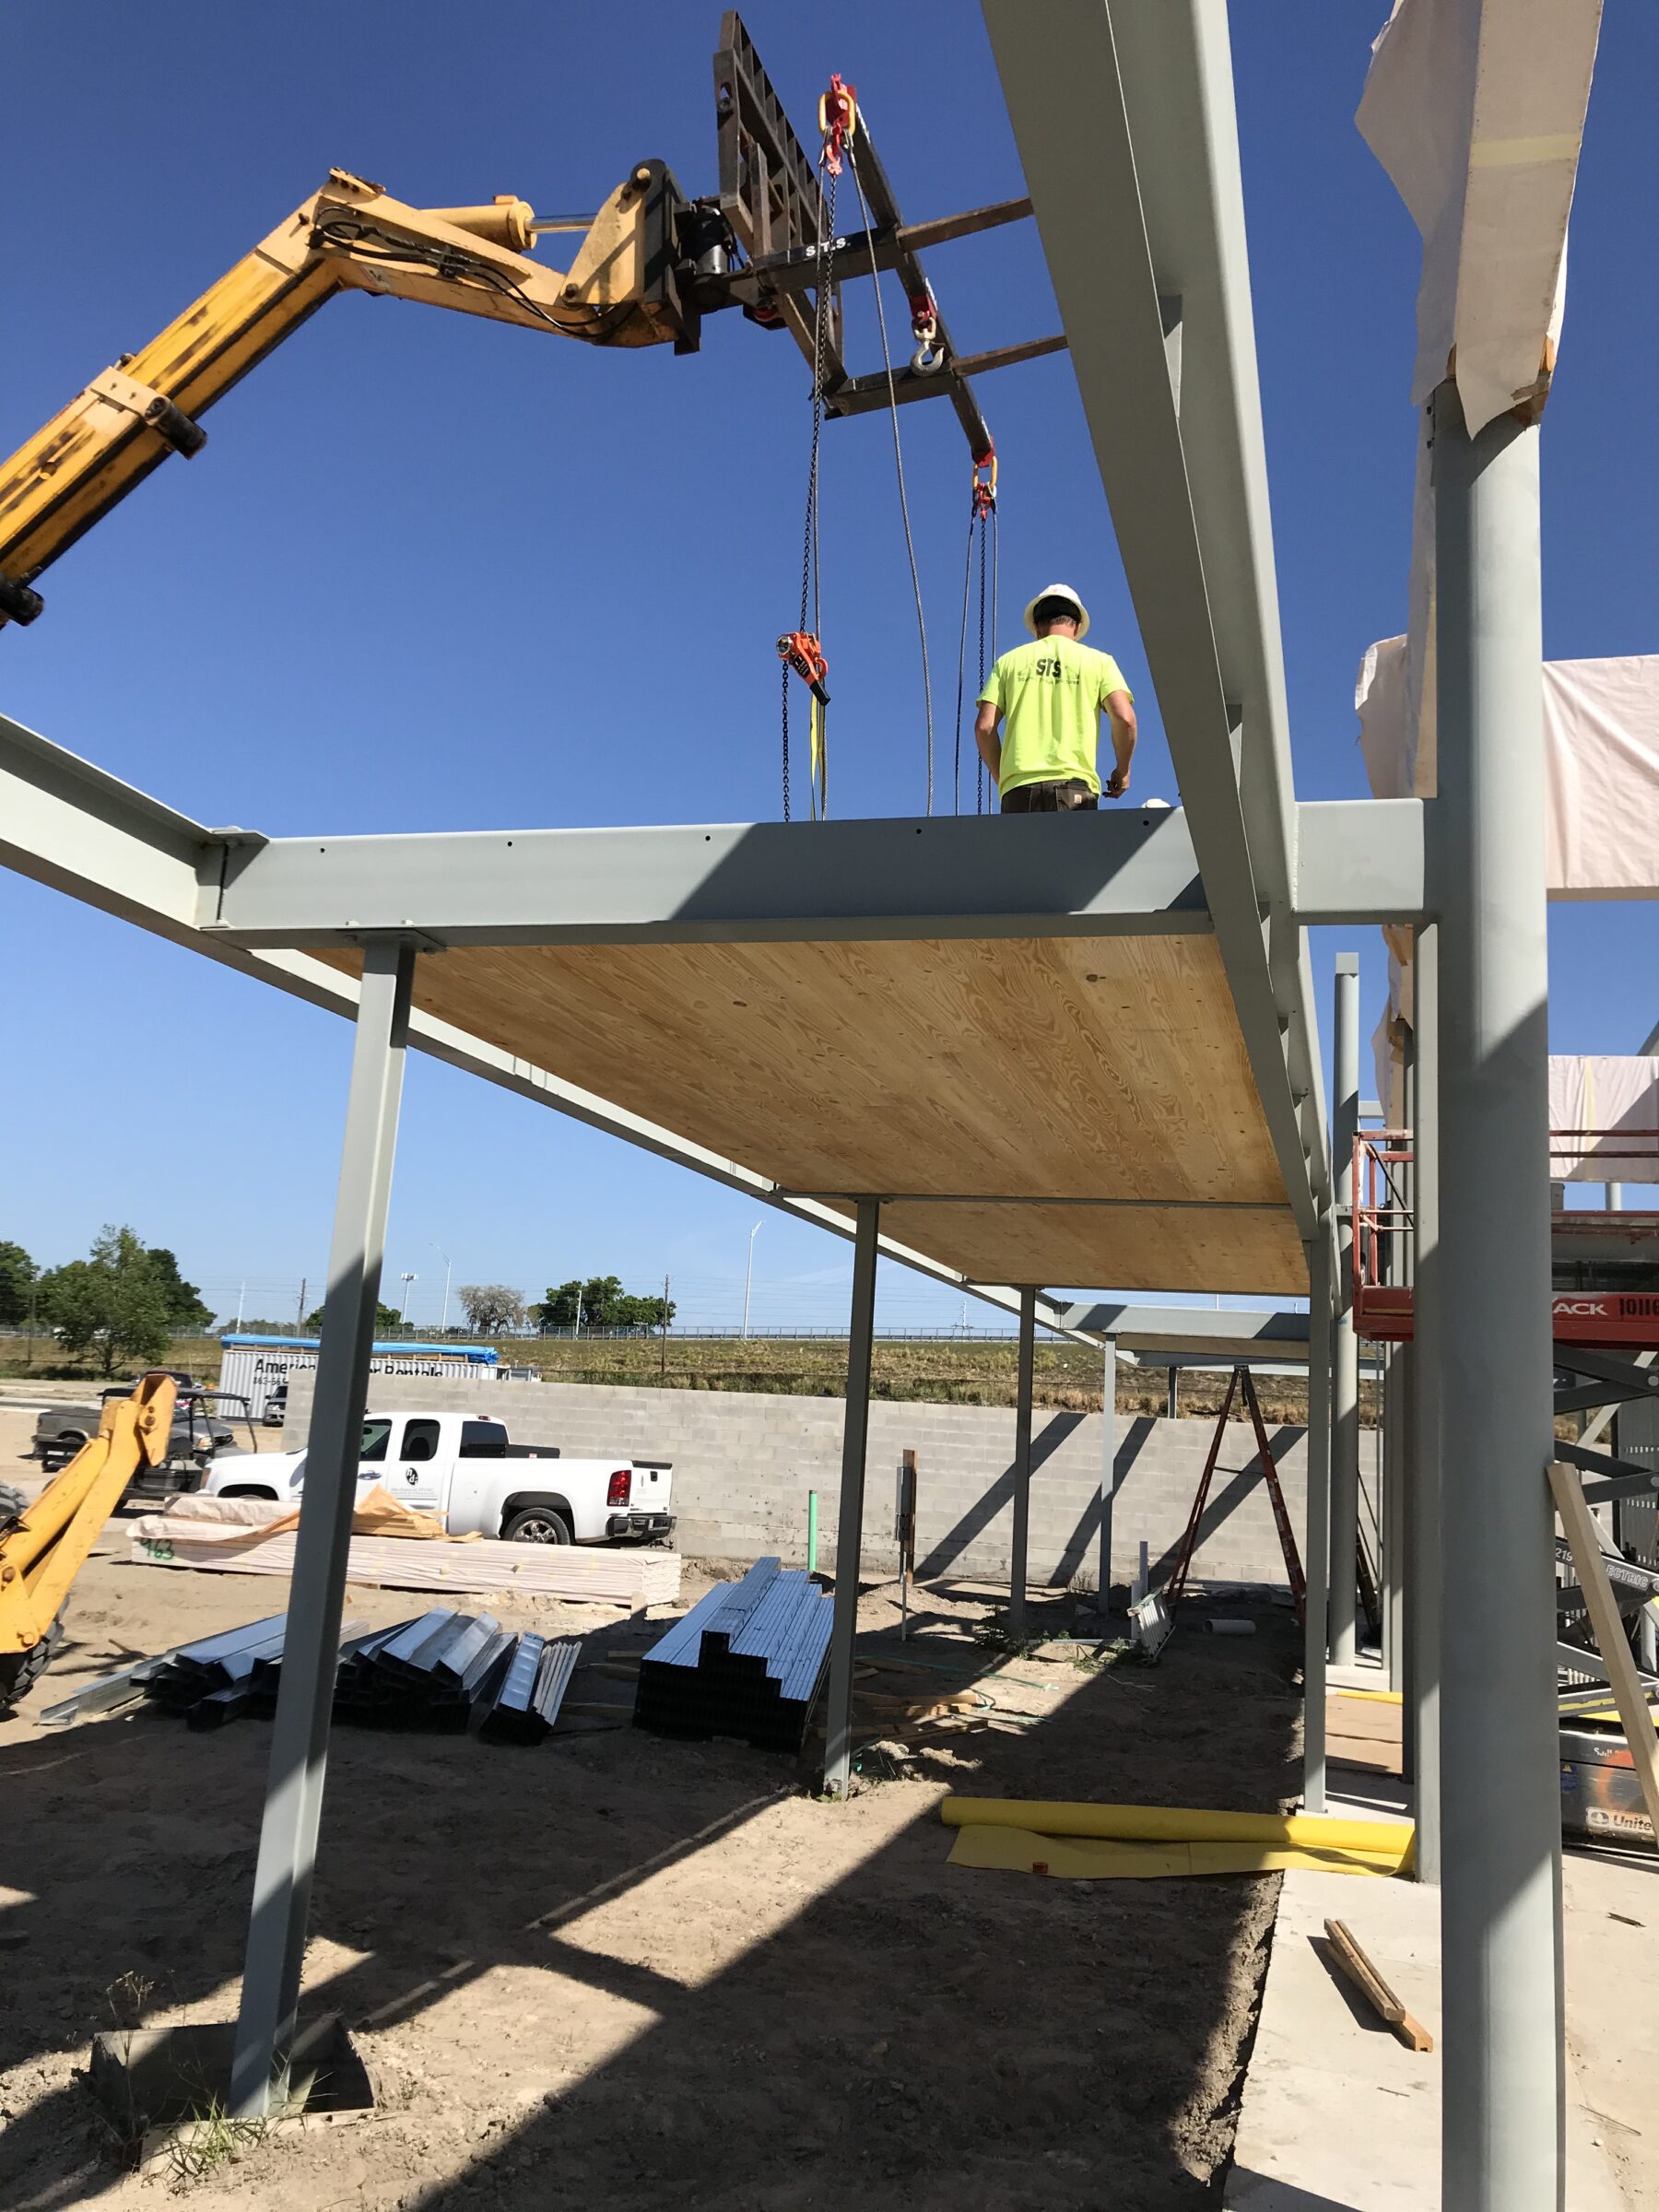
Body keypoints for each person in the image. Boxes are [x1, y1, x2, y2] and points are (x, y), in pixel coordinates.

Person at [973, 582, 1136, 812]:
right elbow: (1124, 718)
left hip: (1018, 791)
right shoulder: (1100, 662)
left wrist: (1004, 777)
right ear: (1077, 627)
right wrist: (1123, 770)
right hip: (1075, 789)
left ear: (1038, 627)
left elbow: (984, 727)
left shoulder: (1008, 662)